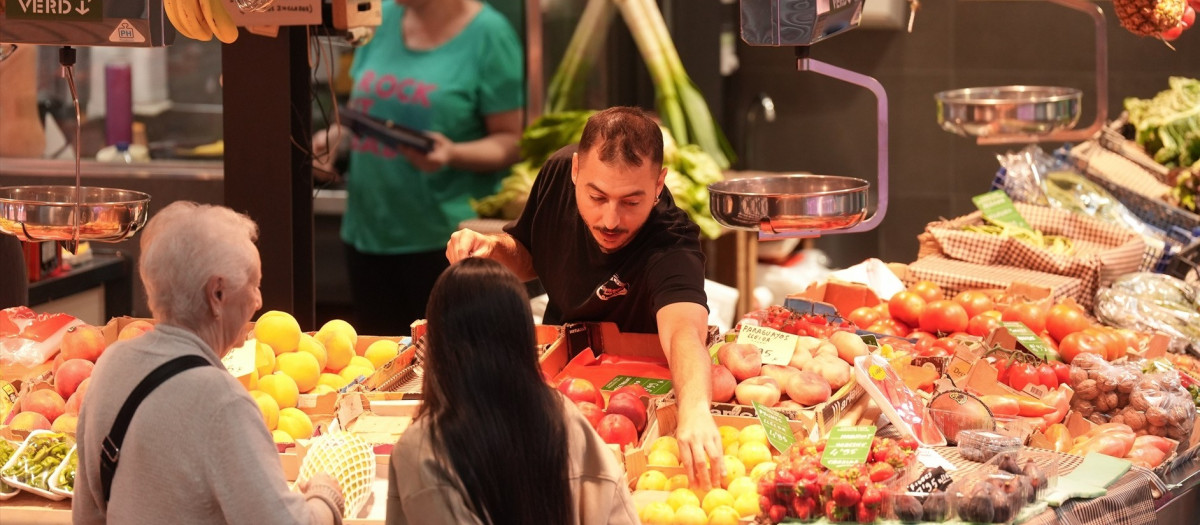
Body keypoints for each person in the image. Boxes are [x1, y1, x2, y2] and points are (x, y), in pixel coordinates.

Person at [445, 107, 724, 488]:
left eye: (631, 202)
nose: (610, 220)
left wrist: (694, 410)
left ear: (659, 184)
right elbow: (529, 254)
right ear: (576, 170)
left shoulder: (671, 242)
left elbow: (684, 333)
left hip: (636, 402)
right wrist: (492, 248)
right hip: (560, 377)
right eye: (597, 197)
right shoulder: (557, 173)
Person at [73, 202, 346, 525]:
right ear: (216, 294)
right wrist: (325, 497)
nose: (258, 301)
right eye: (253, 285)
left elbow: (88, 514)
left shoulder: (111, 365)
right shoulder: (223, 402)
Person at [312, 0, 524, 336]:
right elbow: (362, 108)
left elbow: (510, 141)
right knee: (381, 358)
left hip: (444, 243)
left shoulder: (489, 35)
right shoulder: (378, 16)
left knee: (443, 358)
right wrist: (338, 134)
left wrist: (452, 153)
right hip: (366, 232)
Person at [386, 257, 638, 525]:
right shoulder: (565, 417)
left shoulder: (422, 450)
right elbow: (618, 510)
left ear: (438, 346)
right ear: (525, 338)